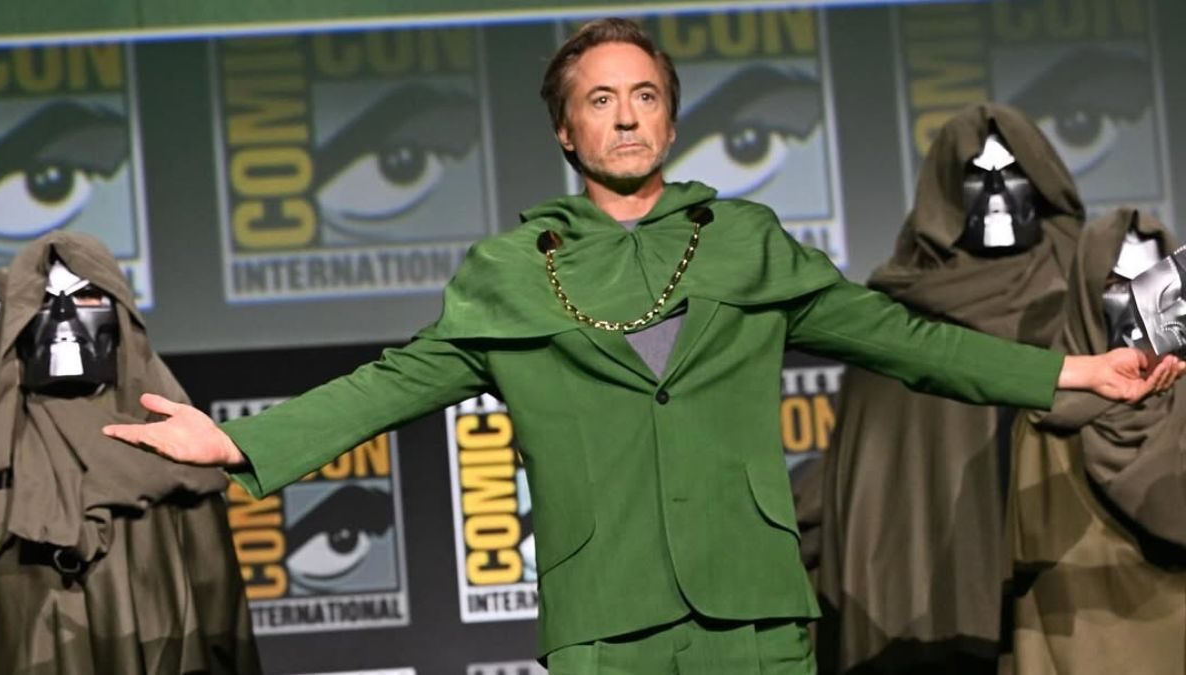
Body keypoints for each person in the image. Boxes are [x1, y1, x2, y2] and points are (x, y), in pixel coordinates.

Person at [103, 19, 1180, 675]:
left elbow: (902, 339)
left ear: (670, 121)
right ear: (565, 129)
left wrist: (1073, 371)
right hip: (606, 618)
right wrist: (239, 444)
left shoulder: (745, 241)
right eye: (601, 100)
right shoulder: (508, 272)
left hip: (754, 611)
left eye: (646, 97)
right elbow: (396, 382)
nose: (626, 118)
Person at [816, 103, 1085, 675]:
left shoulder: (1085, 296)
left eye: (1011, 174)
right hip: (933, 612)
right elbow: (875, 489)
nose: (995, 195)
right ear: (946, 195)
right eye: (977, 177)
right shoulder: (901, 315)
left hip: (1069, 583)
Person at [0, 232, 261, 674]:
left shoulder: (168, 436)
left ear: (118, 312)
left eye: (86, 297)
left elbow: (216, 599)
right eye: (44, 300)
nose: (64, 315)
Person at [1008, 209, 1186, 674]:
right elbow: (1031, 563)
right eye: (1115, 285)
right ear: (1087, 291)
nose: (1134, 304)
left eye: (1151, 285)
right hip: (1080, 637)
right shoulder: (1047, 414)